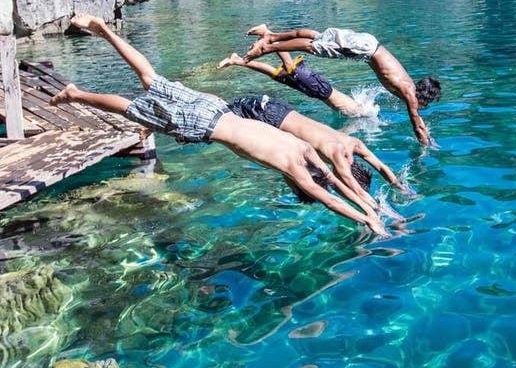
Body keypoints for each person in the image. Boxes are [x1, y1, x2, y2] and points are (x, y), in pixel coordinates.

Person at [49, 15, 388, 236]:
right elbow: (329, 196)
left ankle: (105, 30)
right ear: (299, 184)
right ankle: (78, 95)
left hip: (216, 106)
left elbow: (335, 182)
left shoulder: (305, 149)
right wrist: (368, 220)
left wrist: (368, 204)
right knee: (134, 109)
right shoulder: (295, 166)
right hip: (203, 125)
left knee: (150, 78)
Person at [243, 24, 441, 146]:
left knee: (318, 37)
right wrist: (425, 145)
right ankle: (267, 48)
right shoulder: (410, 93)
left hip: (368, 44)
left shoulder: (408, 85)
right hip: (364, 49)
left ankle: (271, 35)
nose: (423, 107)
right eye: (427, 103)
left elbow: (419, 121)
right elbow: (417, 125)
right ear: (425, 97)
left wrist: (427, 134)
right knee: (313, 46)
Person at [226, 94, 410, 211]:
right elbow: (351, 190)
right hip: (266, 116)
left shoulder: (354, 144)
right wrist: (379, 211)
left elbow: (381, 166)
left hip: (280, 109)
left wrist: (401, 187)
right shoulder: (337, 156)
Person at [217, 50, 367, 117]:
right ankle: (269, 36)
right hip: (321, 90)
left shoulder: (358, 110)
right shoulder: (361, 113)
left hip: (316, 92)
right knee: (289, 66)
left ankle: (236, 60)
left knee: (276, 75)